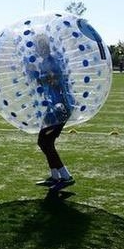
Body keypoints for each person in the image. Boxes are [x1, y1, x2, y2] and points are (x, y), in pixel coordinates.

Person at [30, 40, 75, 191]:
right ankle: (55, 176)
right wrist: (33, 74)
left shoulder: (54, 61)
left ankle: (66, 177)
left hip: (62, 107)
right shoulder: (43, 63)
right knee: (44, 142)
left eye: (39, 47)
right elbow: (44, 84)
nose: (37, 50)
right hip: (53, 108)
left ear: (45, 48)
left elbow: (57, 80)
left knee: (44, 140)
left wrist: (41, 77)